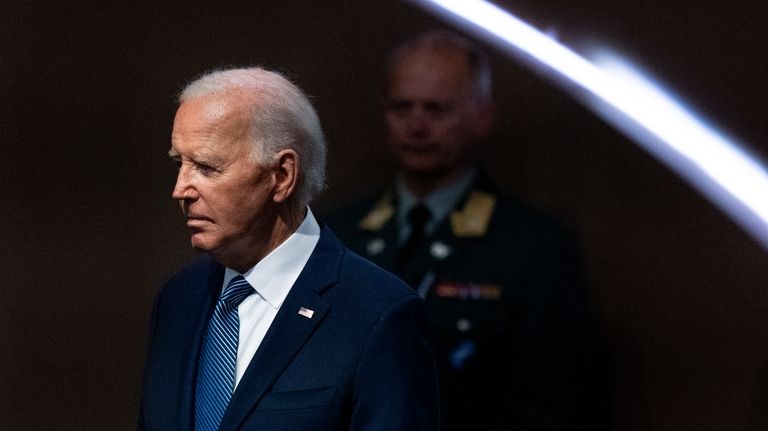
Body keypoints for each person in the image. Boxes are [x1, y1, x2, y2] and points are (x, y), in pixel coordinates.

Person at [326, 30, 605, 430]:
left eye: (436, 109)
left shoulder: (534, 246)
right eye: (402, 108)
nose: (417, 126)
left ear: (481, 117)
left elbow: (550, 408)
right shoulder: (341, 232)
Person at [138, 67, 439, 431]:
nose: (180, 189)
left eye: (206, 167)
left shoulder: (378, 314)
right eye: (179, 163)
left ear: (281, 176)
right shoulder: (178, 299)